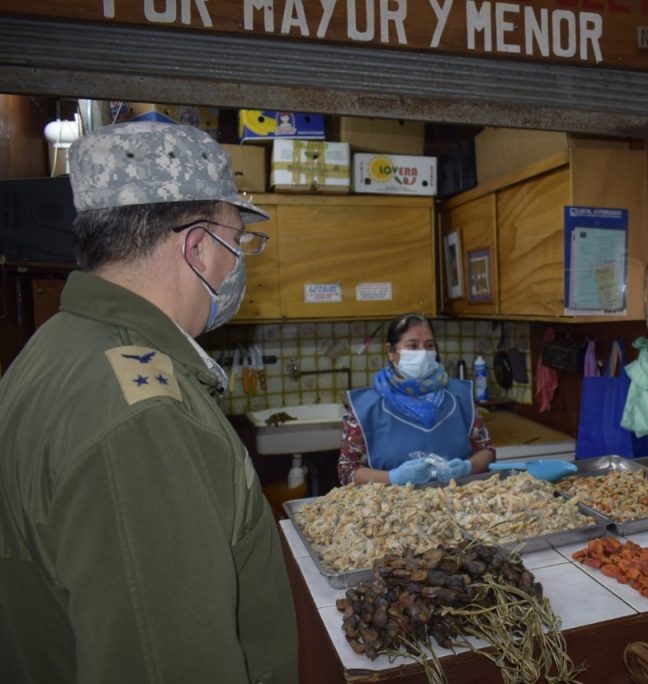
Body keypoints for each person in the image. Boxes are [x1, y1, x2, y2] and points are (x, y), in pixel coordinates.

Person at [0, 121, 298, 683]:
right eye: (237, 242)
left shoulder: (55, 348)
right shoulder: (143, 418)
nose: (239, 265)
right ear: (196, 248)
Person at [337, 313, 496, 485]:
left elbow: (487, 451)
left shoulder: (459, 396)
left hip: (458, 501)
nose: (423, 353)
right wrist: (393, 478)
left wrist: (467, 467)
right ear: (390, 352)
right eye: (413, 346)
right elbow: (347, 471)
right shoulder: (366, 407)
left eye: (429, 346)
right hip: (392, 506)